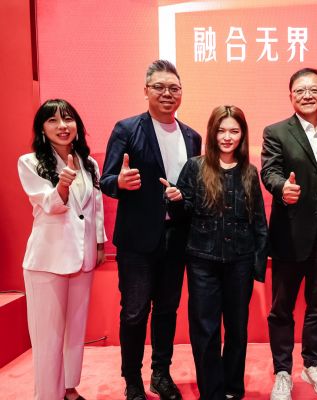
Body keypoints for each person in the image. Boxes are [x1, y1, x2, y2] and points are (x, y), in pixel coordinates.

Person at [100, 60, 201, 400]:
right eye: (159, 87)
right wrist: (120, 182)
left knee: (168, 310)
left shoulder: (192, 137)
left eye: (174, 88)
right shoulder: (127, 129)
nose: (167, 93)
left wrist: (184, 198)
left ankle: (161, 373)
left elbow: (194, 187)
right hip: (138, 241)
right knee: (134, 312)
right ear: (146, 90)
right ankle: (132, 380)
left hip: (178, 238)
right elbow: (106, 179)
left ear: (181, 93)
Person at [165, 105, 268, 400]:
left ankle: (233, 389)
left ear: (242, 135)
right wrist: (175, 200)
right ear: (212, 133)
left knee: (237, 330)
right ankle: (212, 392)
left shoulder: (250, 172)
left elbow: (259, 221)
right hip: (202, 262)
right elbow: (182, 214)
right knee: (205, 330)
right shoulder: (195, 167)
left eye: (234, 131)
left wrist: (257, 267)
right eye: (221, 130)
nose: (227, 137)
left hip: (240, 262)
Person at [261, 67, 317, 400]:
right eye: (300, 90)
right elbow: (269, 171)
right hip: (289, 230)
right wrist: (281, 187)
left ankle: (312, 363)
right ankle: (282, 371)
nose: (307, 95)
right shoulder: (276, 132)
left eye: (314, 89)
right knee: (282, 306)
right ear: (291, 96)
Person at [18, 99, 106, 400]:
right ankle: (47, 395)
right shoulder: (29, 162)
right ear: (42, 128)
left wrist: (99, 243)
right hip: (47, 259)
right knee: (48, 336)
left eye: (68, 119)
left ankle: (69, 389)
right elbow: (49, 205)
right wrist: (62, 186)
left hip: (82, 258)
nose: (62, 126)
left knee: (75, 330)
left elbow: (96, 207)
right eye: (53, 120)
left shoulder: (89, 163)